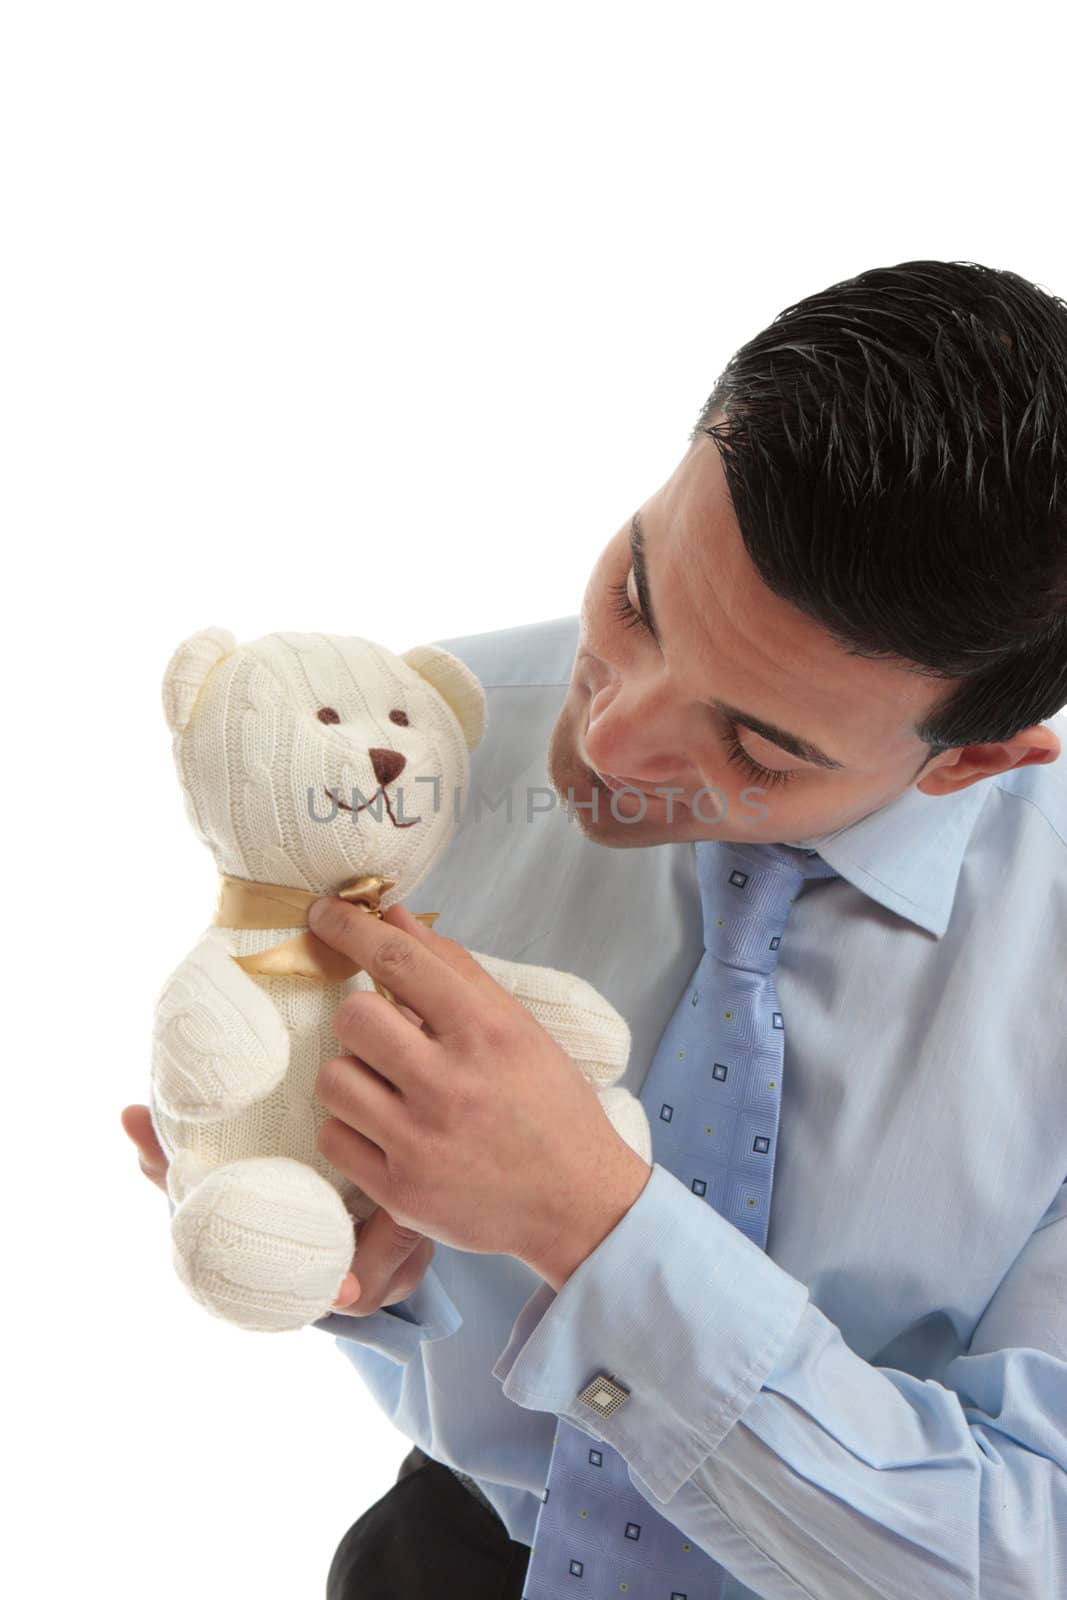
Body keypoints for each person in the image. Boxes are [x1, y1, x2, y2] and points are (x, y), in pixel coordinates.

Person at [122, 258, 1067, 1599]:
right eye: (639, 594)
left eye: (753, 739)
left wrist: (591, 1223)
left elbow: (1025, 1549)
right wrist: (358, 1262)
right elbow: (366, 1236)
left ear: (972, 763)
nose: (609, 738)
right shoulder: (417, 751)